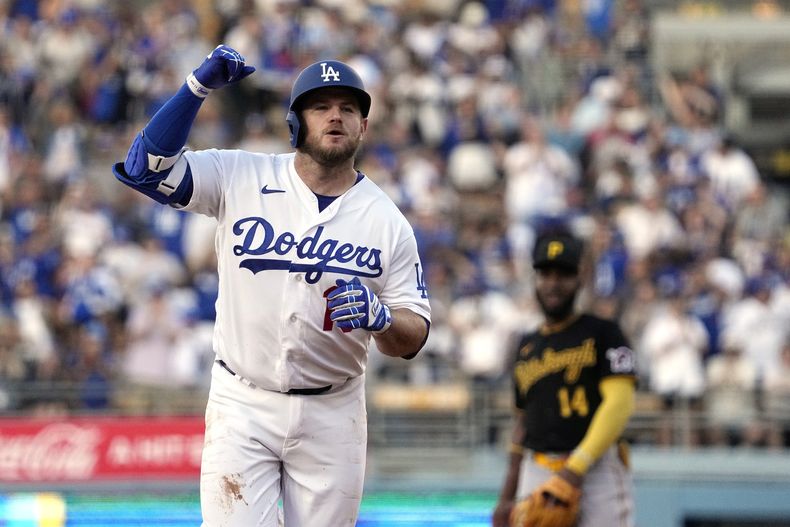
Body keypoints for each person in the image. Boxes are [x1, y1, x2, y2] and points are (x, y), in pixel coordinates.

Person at [112, 45, 431, 527]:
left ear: (364, 127)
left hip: (333, 409)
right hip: (243, 399)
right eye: (320, 106)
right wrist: (196, 88)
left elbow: (414, 335)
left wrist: (383, 318)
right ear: (295, 122)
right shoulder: (240, 175)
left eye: (348, 108)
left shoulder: (387, 222)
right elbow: (145, 168)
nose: (336, 117)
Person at [492, 230, 637, 527]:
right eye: (546, 274)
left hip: (596, 469)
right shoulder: (527, 345)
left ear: (579, 279)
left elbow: (620, 404)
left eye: (563, 275)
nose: (553, 284)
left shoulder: (605, 332)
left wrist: (576, 468)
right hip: (539, 467)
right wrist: (506, 496)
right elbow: (522, 422)